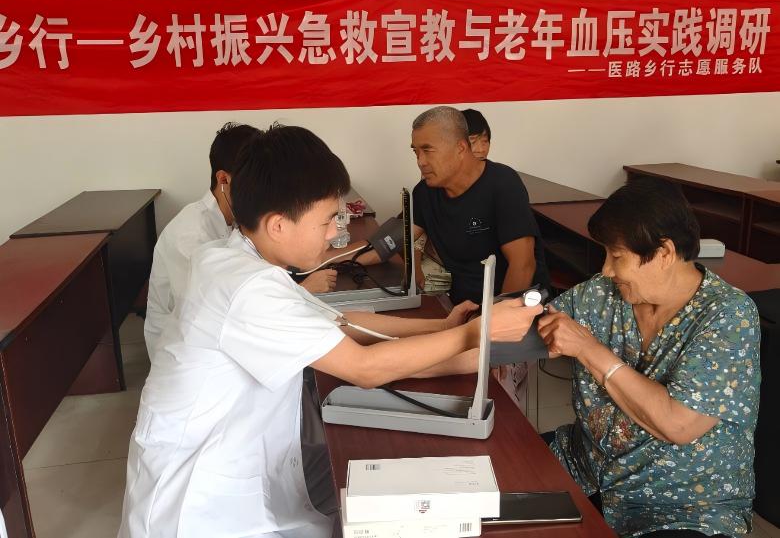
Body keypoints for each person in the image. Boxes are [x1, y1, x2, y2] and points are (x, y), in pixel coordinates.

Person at [118, 124, 542, 538]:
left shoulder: (241, 258)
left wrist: (441, 326)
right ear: (278, 225)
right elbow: (364, 368)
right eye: (325, 221)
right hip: (198, 507)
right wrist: (471, 335)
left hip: (234, 468)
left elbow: (341, 322)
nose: (335, 233)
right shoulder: (247, 287)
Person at [537, 177, 761, 538]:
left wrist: (588, 349)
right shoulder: (603, 293)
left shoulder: (729, 315)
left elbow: (678, 424)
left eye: (617, 256)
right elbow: (527, 331)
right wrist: (454, 336)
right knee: (493, 477)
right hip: (587, 470)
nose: (606, 269)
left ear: (664, 253)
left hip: (682, 508)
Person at [144, 122, 337, 361]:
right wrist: (303, 289)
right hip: (187, 349)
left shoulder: (239, 220)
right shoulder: (190, 236)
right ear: (223, 179)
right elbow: (213, 311)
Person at [409, 105, 549, 304]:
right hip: (463, 308)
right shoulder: (424, 192)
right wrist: (356, 255)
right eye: (416, 152)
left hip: (515, 308)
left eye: (427, 150)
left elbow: (523, 265)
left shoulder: (503, 184)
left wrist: (495, 319)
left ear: (460, 148)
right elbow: (400, 237)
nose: (420, 161)